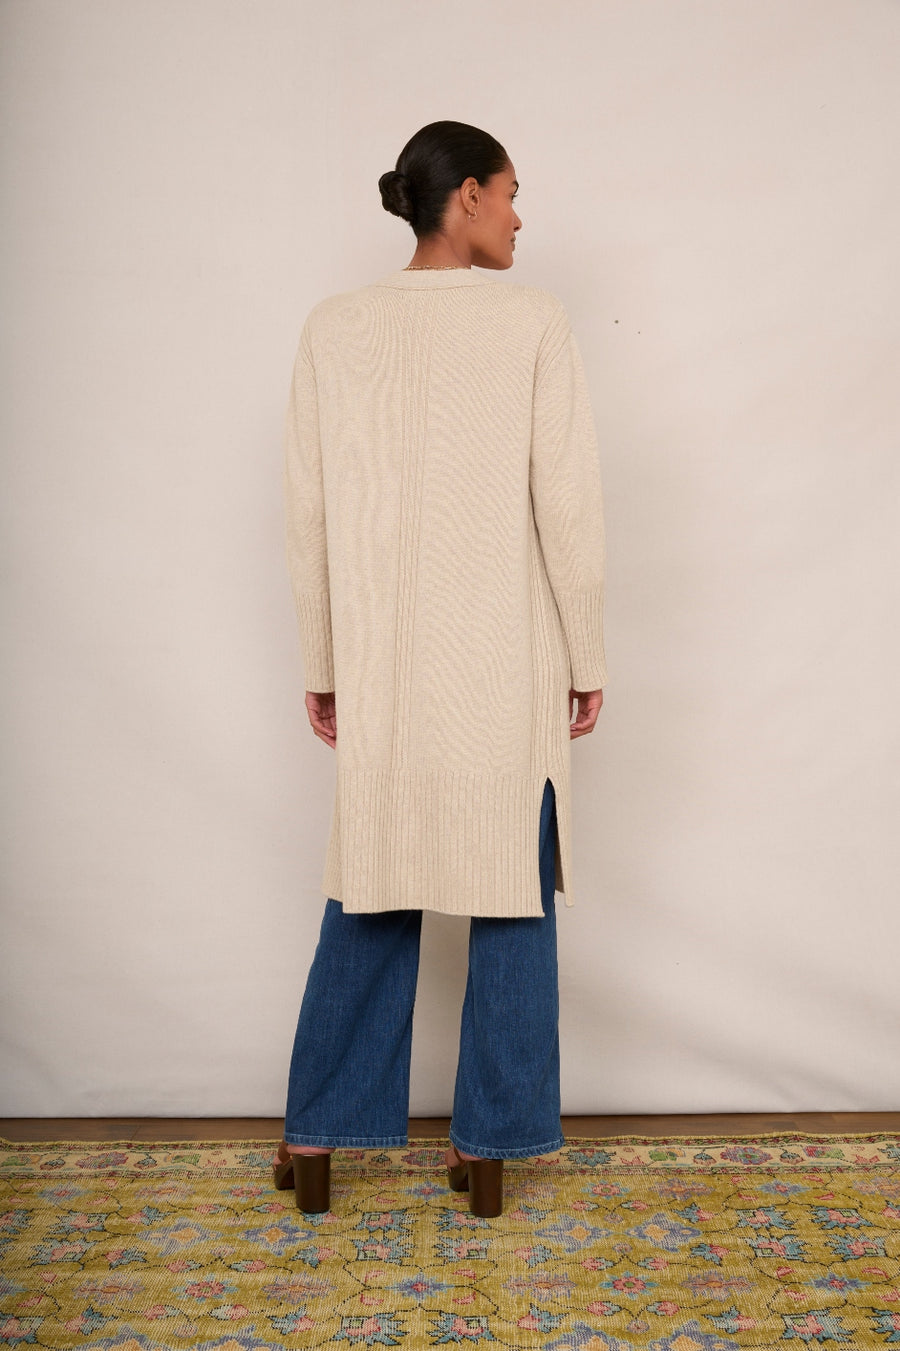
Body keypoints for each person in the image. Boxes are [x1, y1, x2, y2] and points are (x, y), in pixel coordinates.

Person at [274, 120, 608, 1218]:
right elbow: (568, 502)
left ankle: (317, 1134)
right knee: (512, 888)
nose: (518, 217)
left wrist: (324, 659)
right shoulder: (531, 320)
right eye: (510, 193)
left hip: (384, 665)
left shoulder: (336, 326)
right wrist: (587, 648)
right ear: (465, 196)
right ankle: (492, 1143)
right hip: (506, 663)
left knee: (374, 878)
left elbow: (310, 514)